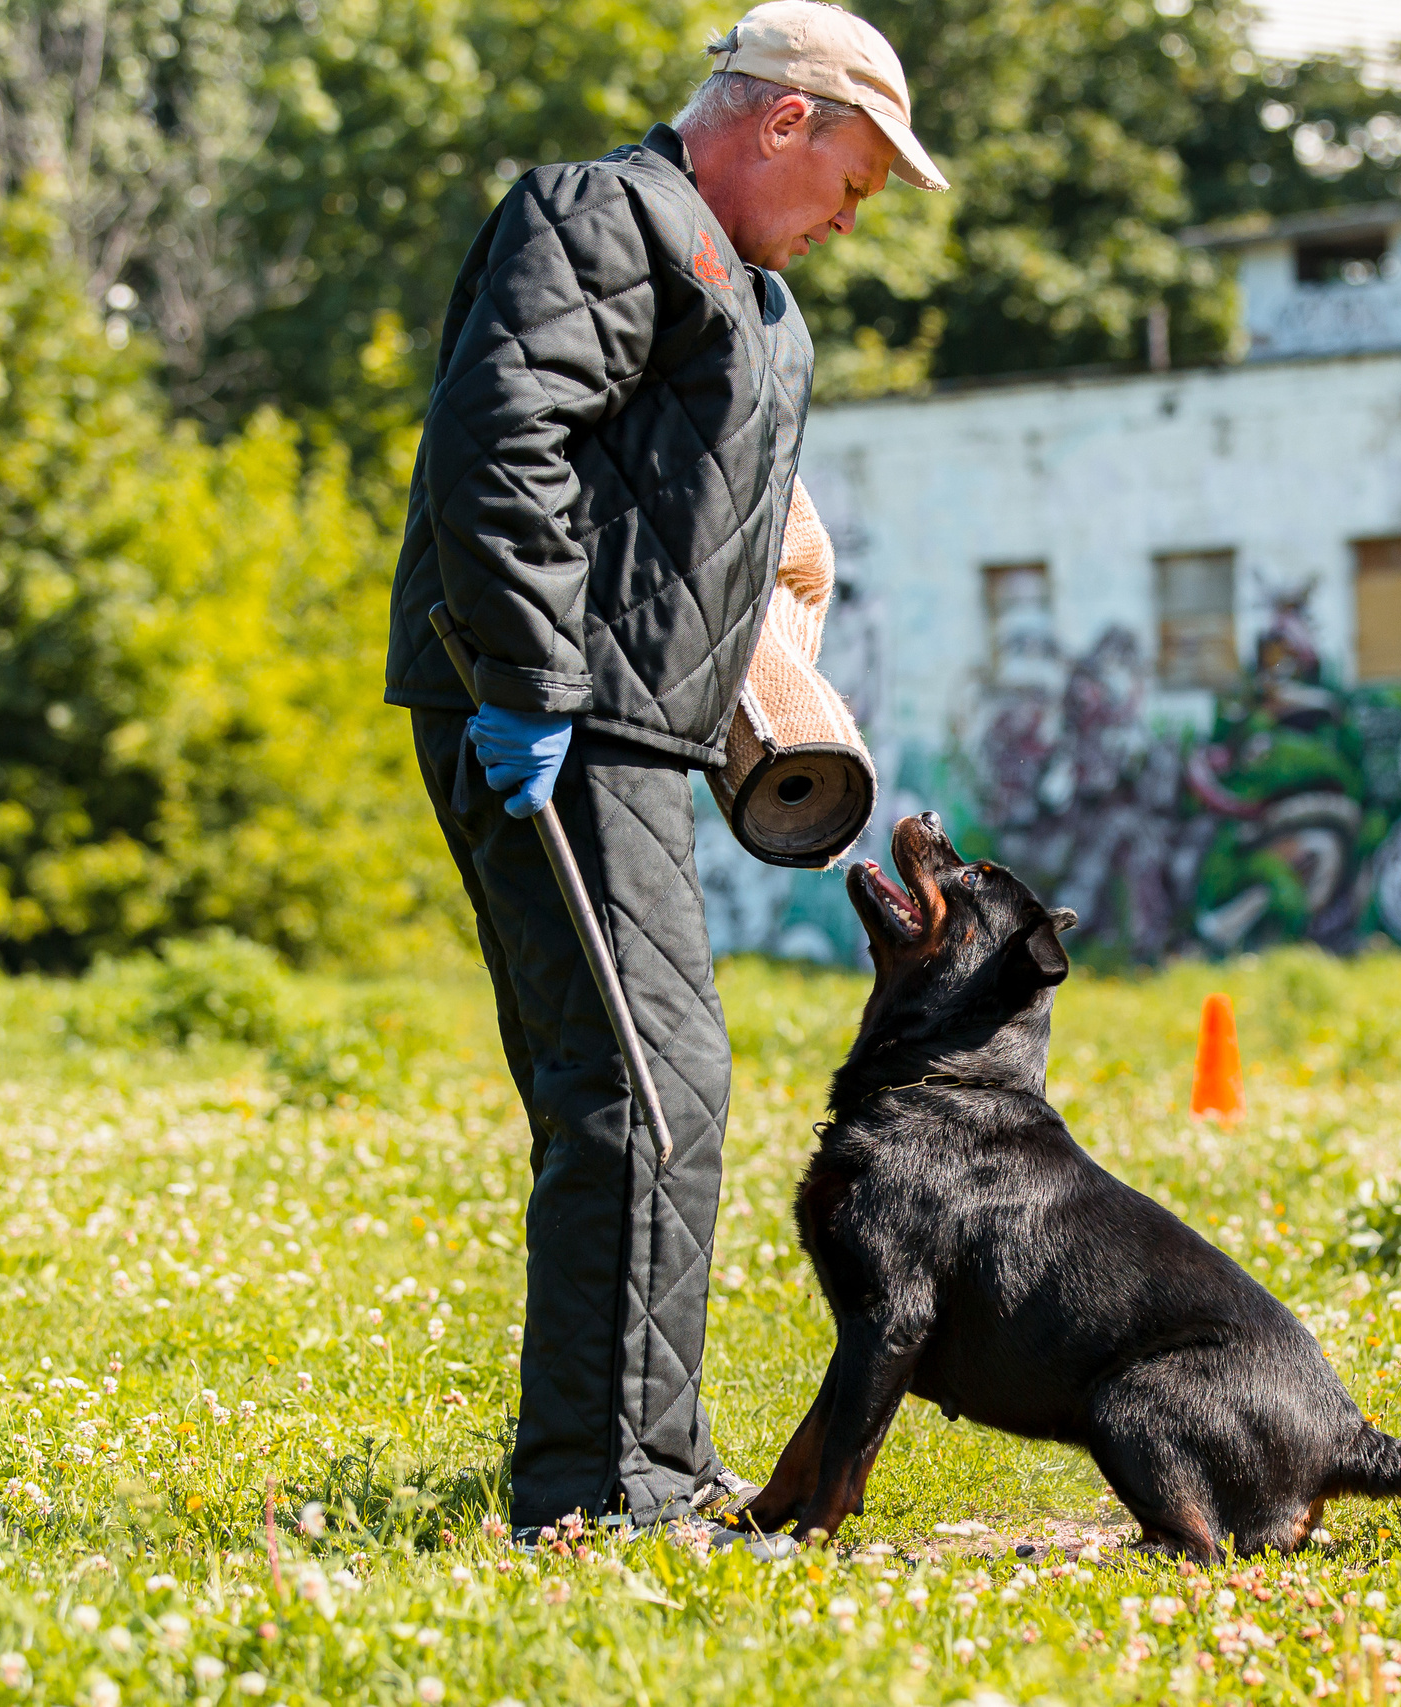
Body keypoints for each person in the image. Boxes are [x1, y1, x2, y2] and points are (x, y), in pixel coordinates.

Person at [381, 2, 945, 1546]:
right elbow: (501, 442)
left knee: (651, 1080)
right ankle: (606, 1499)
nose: (856, 212)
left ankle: (636, 1469)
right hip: (549, 713)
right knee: (639, 1083)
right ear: (783, 120)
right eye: (856, 174)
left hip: (629, 730)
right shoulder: (606, 217)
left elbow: (733, 538)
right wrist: (532, 680)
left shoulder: (753, 297)